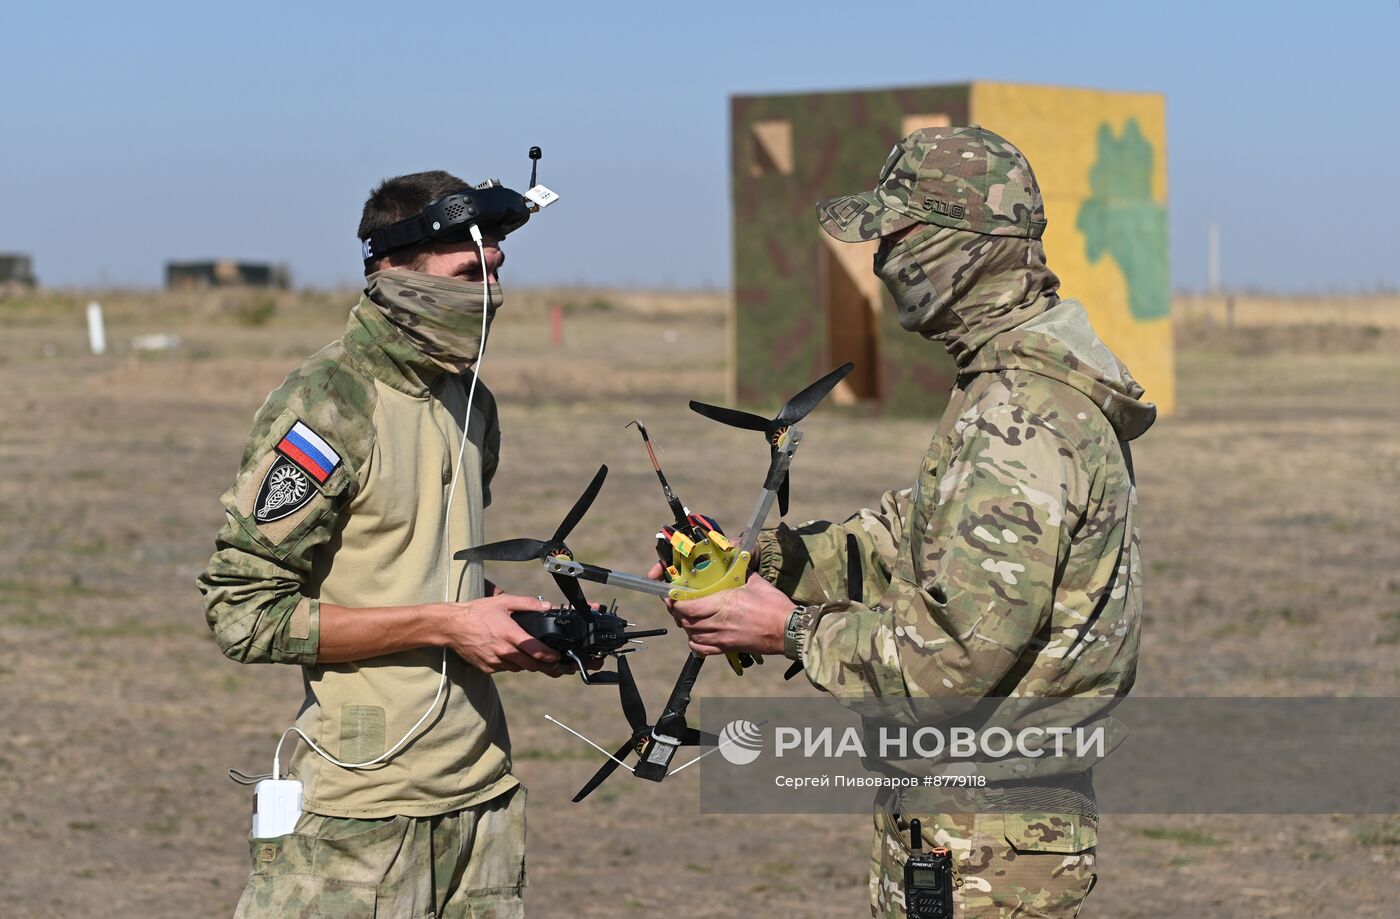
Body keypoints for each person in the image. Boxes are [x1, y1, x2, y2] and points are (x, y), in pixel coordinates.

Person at [669, 126, 1155, 917]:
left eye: (896, 239)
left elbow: (950, 664)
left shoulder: (1021, 416)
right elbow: (913, 536)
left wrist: (788, 631)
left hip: (986, 846)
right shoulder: (1002, 388)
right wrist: (770, 557)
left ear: (959, 249)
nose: (882, 263)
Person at [198, 169, 563, 917]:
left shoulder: (472, 399)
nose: (489, 296)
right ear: (391, 273)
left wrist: (506, 622)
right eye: (467, 275)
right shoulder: (331, 404)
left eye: (496, 272)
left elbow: (414, 570)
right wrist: (445, 623)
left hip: (484, 803)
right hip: (360, 819)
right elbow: (244, 612)